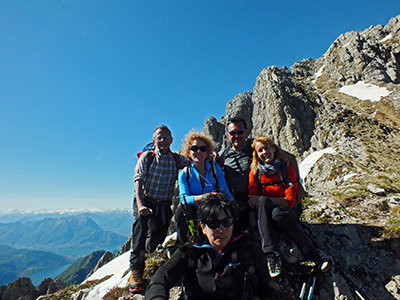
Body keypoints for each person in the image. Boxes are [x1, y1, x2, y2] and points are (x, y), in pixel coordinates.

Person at [145, 195, 276, 300]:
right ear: (203, 228)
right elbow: (162, 277)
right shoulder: (190, 252)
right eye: (213, 224)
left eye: (227, 222)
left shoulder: (249, 250)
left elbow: (266, 288)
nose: (221, 230)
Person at [248, 136, 331, 278]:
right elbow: (253, 201)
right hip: (267, 214)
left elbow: (290, 202)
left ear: (274, 149)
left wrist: (266, 199)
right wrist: (265, 200)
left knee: (277, 213)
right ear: (256, 155)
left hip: (287, 211)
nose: (264, 152)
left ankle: (314, 254)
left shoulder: (286, 168)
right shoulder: (255, 173)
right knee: (264, 205)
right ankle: (271, 254)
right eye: (260, 150)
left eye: (266, 148)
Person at [129, 125, 188, 294]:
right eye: (158, 138)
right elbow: (138, 181)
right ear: (154, 141)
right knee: (140, 231)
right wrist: (141, 205)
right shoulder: (148, 157)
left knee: (159, 236)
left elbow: (192, 164)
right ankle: (136, 271)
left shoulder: (177, 159)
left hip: (162, 204)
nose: (162, 140)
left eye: (165, 137)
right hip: (145, 200)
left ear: (171, 140)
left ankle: (149, 249)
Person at [218, 117, 306, 230]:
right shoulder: (223, 154)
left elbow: (290, 158)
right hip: (235, 199)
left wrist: (298, 183)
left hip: (258, 196)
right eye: (232, 133)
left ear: (246, 132)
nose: (237, 135)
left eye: (240, 132)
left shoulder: (257, 147)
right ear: (227, 135)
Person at [175, 130, 234, 245]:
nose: (199, 151)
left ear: (207, 152)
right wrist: (204, 197)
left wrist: (233, 204)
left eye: (203, 149)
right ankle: (182, 246)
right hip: (194, 210)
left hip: (212, 207)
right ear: (189, 152)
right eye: (194, 148)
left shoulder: (215, 169)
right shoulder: (185, 173)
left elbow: (224, 189)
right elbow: (183, 198)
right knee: (180, 213)